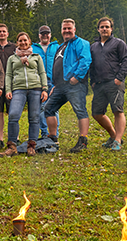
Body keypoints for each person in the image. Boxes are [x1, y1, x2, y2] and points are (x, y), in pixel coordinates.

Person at [44, 18, 92, 153]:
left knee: (80, 110)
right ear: (61, 31)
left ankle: (83, 141)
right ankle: (53, 139)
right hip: (60, 86)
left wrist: (76, 77)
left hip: (75, 85)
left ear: (74, 29)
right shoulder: (62, 46)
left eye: (69, 28)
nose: (66, 31)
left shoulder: (81, 43)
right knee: (48, 108)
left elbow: (85, 60)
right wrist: (54, 84)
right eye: (64, 29)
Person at [0, 32, 48, 157]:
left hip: (35, 89)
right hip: (18, 89)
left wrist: (44, 89)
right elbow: (8, 75)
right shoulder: (12, 58)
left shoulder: (36, 56)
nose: (23, 43)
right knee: (13, 114)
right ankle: (12, 146)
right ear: (17, 43)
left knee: (34, 117)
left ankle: (32, 145)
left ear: (29, 41)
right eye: (20, 41)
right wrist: (8, 90)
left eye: (25, 40)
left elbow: (42, 73)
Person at [90, 17, 127, 151]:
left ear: (111, 29)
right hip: (99, 84)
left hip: (114, 82)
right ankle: (113, 136)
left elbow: (126, 61)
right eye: (102, 27)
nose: (104, 29)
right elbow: (91, 65)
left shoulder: (119, 43)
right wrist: (93, 82)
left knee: (117, 110)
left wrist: (119, 78)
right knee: (96, 113)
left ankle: (118, 141)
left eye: (107, 27)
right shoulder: (94, 46)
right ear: (98, 29)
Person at [32, 25, 60, 138]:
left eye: (47, 33)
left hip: (54, 81)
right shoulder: (33, 48)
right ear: (39, 35)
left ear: (50, 35)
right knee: (41, 108)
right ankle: (44, 133)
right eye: (42, 34)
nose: (45, 36)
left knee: (54, 108)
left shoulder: (57, 47)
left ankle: (54, 134)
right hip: (39, 82)